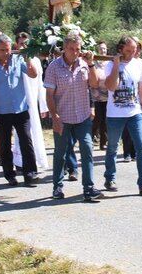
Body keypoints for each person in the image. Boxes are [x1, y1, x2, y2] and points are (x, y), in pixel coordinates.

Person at [44, 34, 105, 202]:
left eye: (78, 49)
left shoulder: (85, 65)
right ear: (64, 49)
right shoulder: (54, 67)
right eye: (71, 49)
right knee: (60, 153)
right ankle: (57, 186)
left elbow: (94, 84)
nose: (75, 52)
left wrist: (91, 63)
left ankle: (89, 188)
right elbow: (49, 95)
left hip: (82, 116)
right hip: (62, 117)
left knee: (87, 149)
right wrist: (54, 116)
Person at [0, 34, 40, 186]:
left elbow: (33, 74)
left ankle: (30, 173)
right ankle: (9, 174)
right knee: (5, 145)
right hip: (0, 111)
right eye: (2, 50)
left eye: (8, 49)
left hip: (20, 108)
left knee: (26, 141)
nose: (6, 53)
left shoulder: (18, 59)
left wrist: (27, 58)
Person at [102, 36, 142, 196]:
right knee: (112, 147)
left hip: (135, 112)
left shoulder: (140, 64)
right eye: (128, 51)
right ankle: (110, 178)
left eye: (134, 51)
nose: (132, 54)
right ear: (120, 49)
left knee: (141, 147)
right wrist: (117, 65)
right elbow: (111, 86)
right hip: (115, 114)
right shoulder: (110, 64)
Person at [12, 32, 49, 177]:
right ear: (17, 44)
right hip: (20, 102)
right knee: (21, 133)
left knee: (34, 131)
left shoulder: (36, 61)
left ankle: (35, 161)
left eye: (26, 43)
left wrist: (43, 105)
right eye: (21, 43)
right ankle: (19, 162)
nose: (24, 46)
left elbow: (40, 83)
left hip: (33, 100)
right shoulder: (14, 59)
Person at [89, 42, 109, 149]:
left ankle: (104, 143)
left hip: (107, 96)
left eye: (105, 49)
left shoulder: (109, 63)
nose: (103, 51)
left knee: (105, 120)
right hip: (95, 96)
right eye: (101, 49)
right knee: (96, 120)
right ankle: (90, 140)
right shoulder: (94, 63)